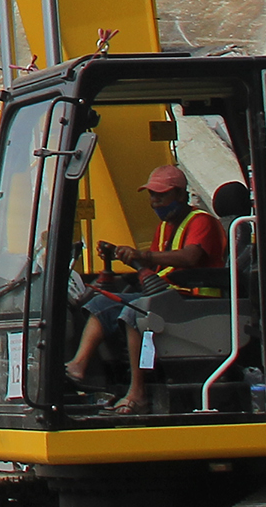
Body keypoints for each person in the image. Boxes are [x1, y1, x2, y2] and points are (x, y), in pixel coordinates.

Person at [67, 164, 225, 413]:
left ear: (181, 195)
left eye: (160, 195)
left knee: (135, 311)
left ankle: (137, 392)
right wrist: (122, 256)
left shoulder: (202, 222)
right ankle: (78, 366)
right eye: (152, 195)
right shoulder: (165, 227)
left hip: (193, 302)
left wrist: (144, 256)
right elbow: (154, 264)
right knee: (101, 303)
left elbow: (190, 258)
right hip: (166, 295)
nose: (154, 202)